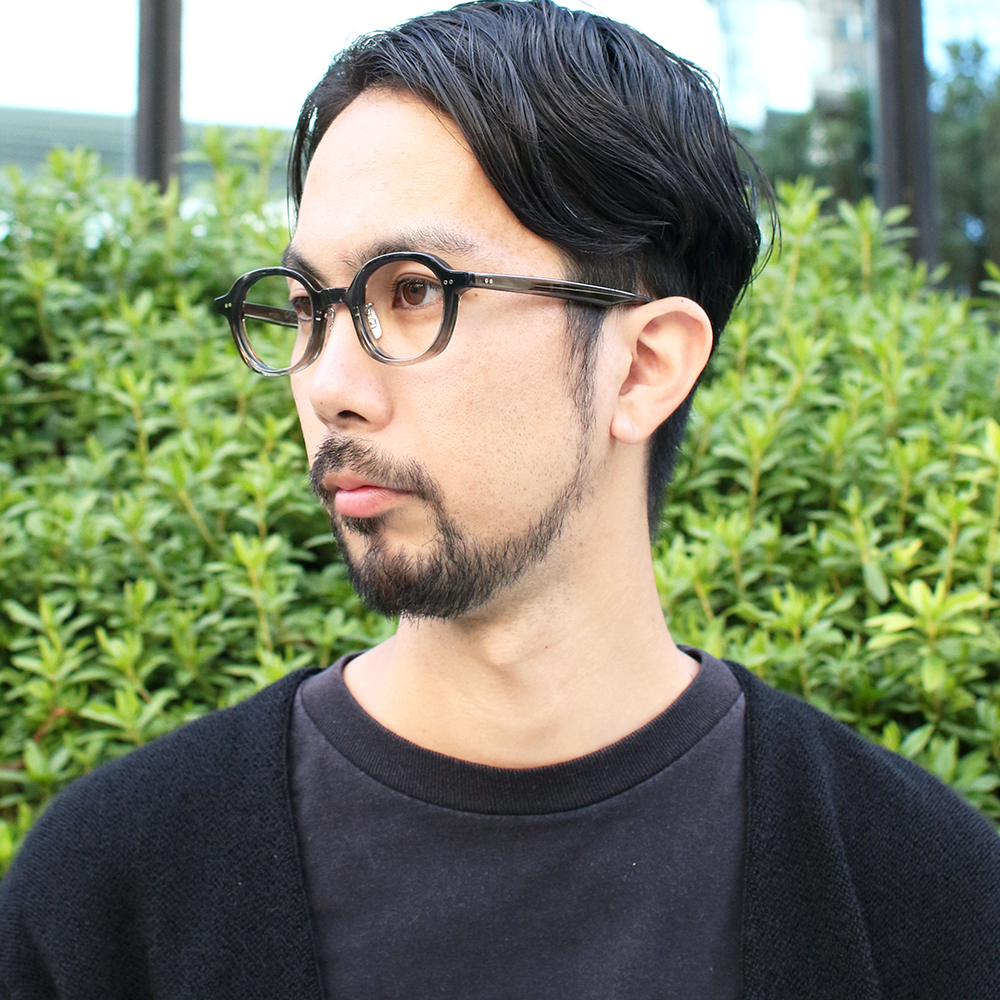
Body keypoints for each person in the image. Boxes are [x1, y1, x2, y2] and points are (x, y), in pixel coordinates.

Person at [2, 2, 998, 997]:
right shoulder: (109, 892)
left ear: (644, 367)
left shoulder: (925, 898)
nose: (326, 383)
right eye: (308, 308)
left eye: (413, 291)